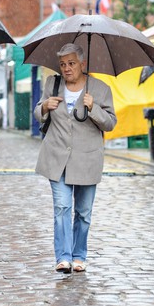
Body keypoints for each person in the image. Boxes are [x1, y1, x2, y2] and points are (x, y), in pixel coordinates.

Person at [33, 43, 117, 274]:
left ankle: (79, 255)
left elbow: (110, 123)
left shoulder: (99, 89)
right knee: (62, 207)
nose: (66, 68)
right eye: (62, 64)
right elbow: (38, 112)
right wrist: (45, 107)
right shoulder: (53, 84)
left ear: (83, 63)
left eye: (71, 63)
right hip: (56, 157)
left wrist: (94, 109)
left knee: (83, 212)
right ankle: (63, 257)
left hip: (87, 159)